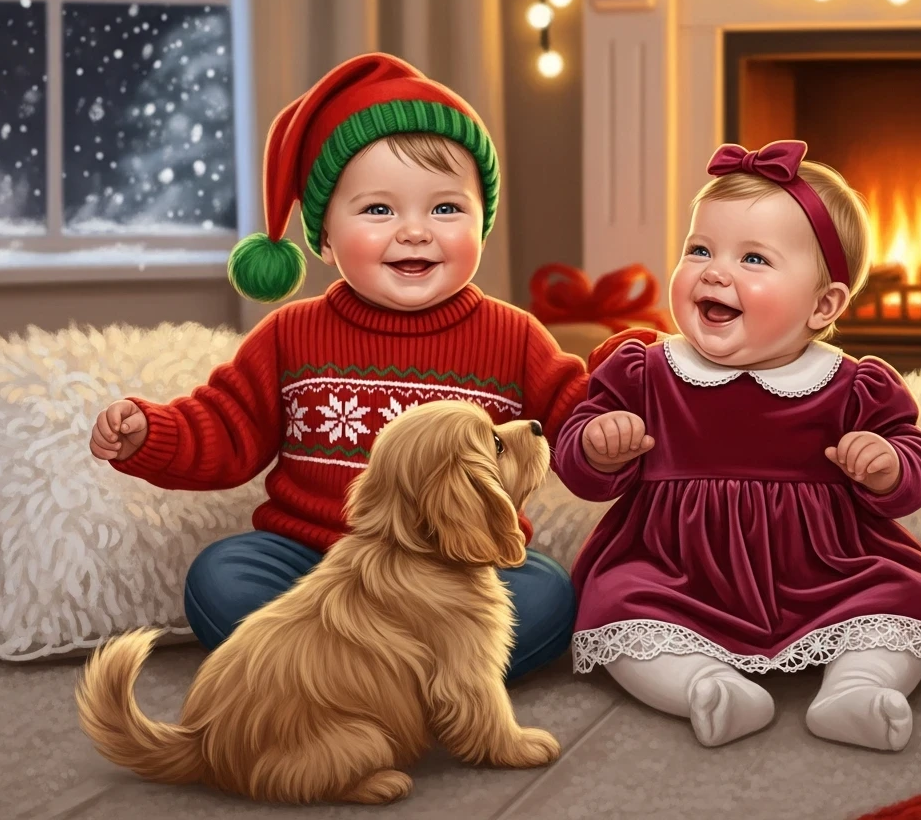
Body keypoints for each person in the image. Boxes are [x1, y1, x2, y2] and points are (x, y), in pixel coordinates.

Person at [89, 52, 591, 681]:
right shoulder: (291, 335)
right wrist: (151, 431)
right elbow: (225, 424)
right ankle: (404, 680)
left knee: (547, 593)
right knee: (221, 576)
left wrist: (604, 435)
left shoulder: (514, 337)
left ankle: (348, 682)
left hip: (460, 570)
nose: (415, 231)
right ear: (324, 238)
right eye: (379, 210)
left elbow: (574, 417)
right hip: (317, 564)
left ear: (482, 225)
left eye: (445, 209)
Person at [553, 140, 921, 748]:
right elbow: (578, 465)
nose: (714, 272)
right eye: (699, 250)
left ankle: (858, 687)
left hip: (827, 568)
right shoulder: (645, 371)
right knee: (618, 604)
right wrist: (599, 445)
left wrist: (886, 464)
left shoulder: (850, 384)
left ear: (822, 304)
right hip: (675, 569)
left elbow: (913, 464)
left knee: (902, 598)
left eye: (753, 258)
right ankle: (705, 686)